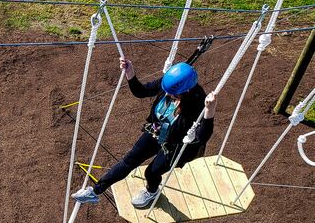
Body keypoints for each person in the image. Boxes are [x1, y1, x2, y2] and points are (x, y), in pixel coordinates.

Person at [72, 59, 218, 208]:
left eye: (172, 94)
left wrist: (209, 112)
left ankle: (152, 191)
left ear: (186, 91)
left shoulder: (198, 103)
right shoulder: (168, 85)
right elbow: (141, 91)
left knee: (151, 172)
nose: (167, 94)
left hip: (175, 145)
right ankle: (96, 191)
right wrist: (130, 73)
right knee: (129, 160)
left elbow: (201, 137)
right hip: (157, 130)